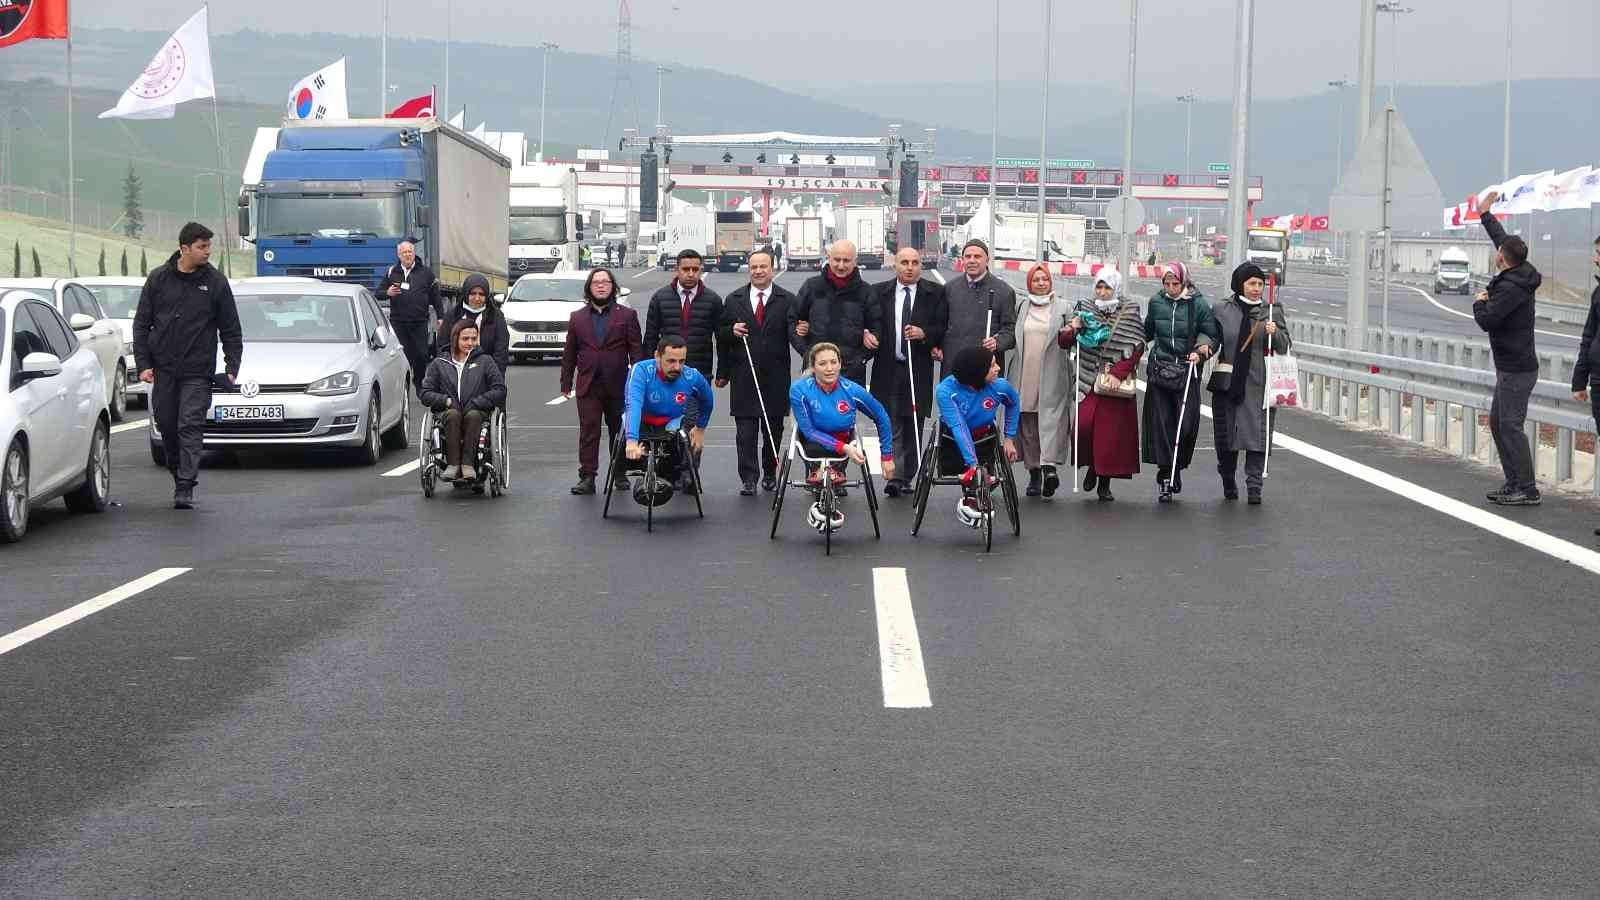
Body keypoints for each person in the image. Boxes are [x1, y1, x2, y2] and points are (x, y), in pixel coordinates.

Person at [132, 222, 243, 510]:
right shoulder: (158, 280)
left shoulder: (216, 283)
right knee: (167, 426)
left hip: (198, 370)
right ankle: (177, 470)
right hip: (164, 370)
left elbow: (230, 329)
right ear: (184, 249)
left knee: (189, 425)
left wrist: (232, 367)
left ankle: (185, 485)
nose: (208, 251)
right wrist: (143, 363)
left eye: (209, 246)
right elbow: (142, 324)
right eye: (201, 246)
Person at [1474, 191, 1543, 507]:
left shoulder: (1512, 288)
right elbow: (1504, 240)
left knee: (1510, 426)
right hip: (1511, 366)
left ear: (1502, 258)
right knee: (1499, 423)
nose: (1497, 252)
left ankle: (1527, 488)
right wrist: (1485, 214)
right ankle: (1513, 481)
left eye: (1498, 251)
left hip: (1517, 369)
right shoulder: (1520, 270)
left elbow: (1488, 320)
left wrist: (1479, 301)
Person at [643, 248, 724, 490]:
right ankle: (668, 473)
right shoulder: (659, 298)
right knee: (667, 425)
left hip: (697, 374)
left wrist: (723, 372)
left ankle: (690, 473)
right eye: (685, 269)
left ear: (701, 270)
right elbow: (650, 337)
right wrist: (649, 369)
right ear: (676, 270)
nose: (690, 274)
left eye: (695, 269)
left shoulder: (712, 300)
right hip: (664, 376)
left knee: (691, 424)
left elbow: (721, 337)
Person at [1208, 262, 1290, 505]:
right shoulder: (1222, 309)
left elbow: (1285, 346)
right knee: (1226, 438)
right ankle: (1227, 479)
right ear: (1239, 284)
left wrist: (1274, 333)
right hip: (1228, 385)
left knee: (1258, 438)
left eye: (1260, 284)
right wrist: (1202, 348)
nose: (1257, 289)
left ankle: (1255, 486)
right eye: (1251, 284)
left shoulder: (1272, 311)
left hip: (1260, 386)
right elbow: (1212, 338)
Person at [1063, 268, 1145, 502]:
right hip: (1088, 377)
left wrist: (1119, 373)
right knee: (1084, 428)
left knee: (1110, 436)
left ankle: (1104, 480)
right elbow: (1066, 342)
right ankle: (1091, 466)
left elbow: (1137, 344)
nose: (1102, 291)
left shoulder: (1129, 310)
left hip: (1115, 382)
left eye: (1107, 287)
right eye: (1099, 287)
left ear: (1116, 288)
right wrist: (1073, 329)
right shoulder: (1084, 308)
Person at [871, 247, 948, 497]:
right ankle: (896, 475)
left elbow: (943, 326)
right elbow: (868, 322)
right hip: (888, 367)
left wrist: (925, 334)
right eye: (904, 262)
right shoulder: (878, 292)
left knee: (913, 422)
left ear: (921, 266)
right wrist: (865, 335)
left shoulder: (935, 293)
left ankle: (907, 473)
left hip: (918, 368)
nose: (909, 267)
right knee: (890, 419)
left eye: (915, 262)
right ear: (895, 264)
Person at [789, 343, 895, 519]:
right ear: (813, 367)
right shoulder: (799, 390)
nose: (829, 368)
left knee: (837, 453)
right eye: (822, 364)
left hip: (843, 438)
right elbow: (808, 431)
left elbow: (882, 416)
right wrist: (845, 448)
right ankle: (821, 472)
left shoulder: (852, 390)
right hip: (812, 441)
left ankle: (830, 472)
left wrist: (887, 456)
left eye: (833, 362)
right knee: (814, 446)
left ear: (840, 364)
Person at [1142, 261, 1219, 502]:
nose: (1171, 288)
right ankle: (1166, 474)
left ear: (1185, 282)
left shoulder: (1198, 304)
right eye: (1167, 284)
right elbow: (1147, 332)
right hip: (1161, 371)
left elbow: (1211, 334)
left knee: (1185, 426)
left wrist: (1203, 348)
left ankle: (1177, 465)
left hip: (1187, 372)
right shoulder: (1156, 303)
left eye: (1175, 283)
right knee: (1163, 424)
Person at [720, 249, 796, 495]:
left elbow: (795, 335)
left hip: (776, 376)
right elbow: (720, 336)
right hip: (744, 375)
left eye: (763, 266)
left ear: (772, 268)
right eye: (754, 267)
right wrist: (730, 331)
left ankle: (770, 473)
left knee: (773, 430)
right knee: (746, 433)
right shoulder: (733, 300)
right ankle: (749, 478)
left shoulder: (787, 299)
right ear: (749, 269)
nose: (759, 271)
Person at [561, 267, 642, 494]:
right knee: (589, 431)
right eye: (596, 282)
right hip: (588, 384)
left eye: (605, 282)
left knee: (619, 430)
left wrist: (640, 383)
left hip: (619, 384)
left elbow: (637, 352)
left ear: (612, 287)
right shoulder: (577, 318)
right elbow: (570, 353)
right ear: (589, 287)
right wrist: (566, 382)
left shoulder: (626, 315)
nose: (601, 285)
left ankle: (620, 473)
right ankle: (587, 476)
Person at [1006, 262, 1075, 499]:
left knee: (1053, 420)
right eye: (1036, 280)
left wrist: (1073, 331)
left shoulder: (1064, 307)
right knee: (1027, 421)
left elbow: (1073, 339)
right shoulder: (1021, 306)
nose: (1041, 283)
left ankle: (1049, 468)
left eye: (1044, 279)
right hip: (1025, 371)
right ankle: (1034, 472)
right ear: (1029, 284)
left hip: (1054, 371)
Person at [934, 346, 1020, 523]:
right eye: (992, 366)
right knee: (970, 464)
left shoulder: (1000, 386)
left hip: (984, 436)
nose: (998, 369)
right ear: (978, 373)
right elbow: (959, 427)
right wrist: (973, 465)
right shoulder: (945, 391)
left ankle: (977, 488)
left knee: (982, 462)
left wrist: (1009, 439)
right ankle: (972, 493)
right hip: (952, 438)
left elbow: (1013, 403)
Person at [418, 319, 507, 483]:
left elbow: (500, 389)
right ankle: (453, 465)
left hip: (477, 411)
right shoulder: (440, 363)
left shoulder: (485, 361)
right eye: (465, 339)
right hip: (448, 412)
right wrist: (445, 401)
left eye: (474, 339)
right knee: (452, 415)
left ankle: (468, 465)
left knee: (473, 415)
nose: (470, 343)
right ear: (455, 339)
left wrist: (478, 402)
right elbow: (425, 393)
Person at [622, 336, 714, 493]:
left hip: (670, 424)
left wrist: (700, 428)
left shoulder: (691, 376)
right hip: (641, 421)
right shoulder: (641, 371)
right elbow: (634, 404)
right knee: (627, 450)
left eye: (681, 361)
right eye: (671, 361)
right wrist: (631, 440)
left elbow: (707, 400)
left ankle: (676, 474)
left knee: (682, 447)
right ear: (657, 356)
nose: (677, 367)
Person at [789, 239, 880, 385]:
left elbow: (877, 328)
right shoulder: (811, 286)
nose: (841, 265)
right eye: (837, 260)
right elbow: (792, 320)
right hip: (815, 371)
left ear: (855, 261)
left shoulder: (866, 292)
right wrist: (806, 353)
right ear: (828, 259)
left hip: (852, 374)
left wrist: (861, 359)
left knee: (846, 409)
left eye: (846, 260)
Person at [939, 239, 1016, 379]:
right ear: (962, 260)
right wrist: (935, 345)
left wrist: (997, 342)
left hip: (987, 371)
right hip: (954, 368)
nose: (972, 260)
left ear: (987, 260)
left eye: (977, 256)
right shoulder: (949, 289)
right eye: (968, 257)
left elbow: (1010, 331)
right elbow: (940, 325)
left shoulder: (1004, 292)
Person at [379, 240, 444, 394]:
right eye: (404, 252)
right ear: (399, 255)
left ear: (414, 254)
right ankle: (403, 387)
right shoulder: (392, 272)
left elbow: (436, 297)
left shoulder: (426, 273)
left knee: (422, 355)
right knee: (402, 357)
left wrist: (441, 316)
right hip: (398, 323)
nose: (407, 255)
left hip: (419, 322)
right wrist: (387, 292)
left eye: (410, 252)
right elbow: (378, 292)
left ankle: (419, 381)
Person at [1574, 235, 1600, 534]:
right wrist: (1579, 379)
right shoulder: (1598, 294)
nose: (1595, 258)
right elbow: (1588, 337)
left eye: (1599, 253)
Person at [436, 274, 509, 372]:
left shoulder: (496, 316)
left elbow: (501, 351)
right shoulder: (453, 315)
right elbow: (442, 346)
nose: (477, 298)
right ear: (466, 293)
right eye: (473, 293)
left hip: (487, 374)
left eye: (481, 294)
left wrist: (494, 376)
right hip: (456, 374)